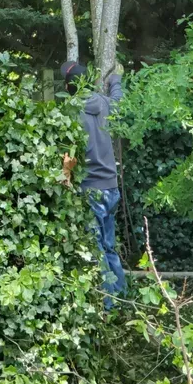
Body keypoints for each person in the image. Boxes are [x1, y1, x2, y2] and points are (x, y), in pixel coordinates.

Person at [60, 61, 127, 309]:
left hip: (92, 191)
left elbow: (69, 158)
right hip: (111, 188)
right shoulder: (104, 103)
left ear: (68, 87)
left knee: (97, 248)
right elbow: (118, 100)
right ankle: (120, 297)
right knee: (109, 247)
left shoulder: (71, 114)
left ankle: (106, 304)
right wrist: (115, 80)